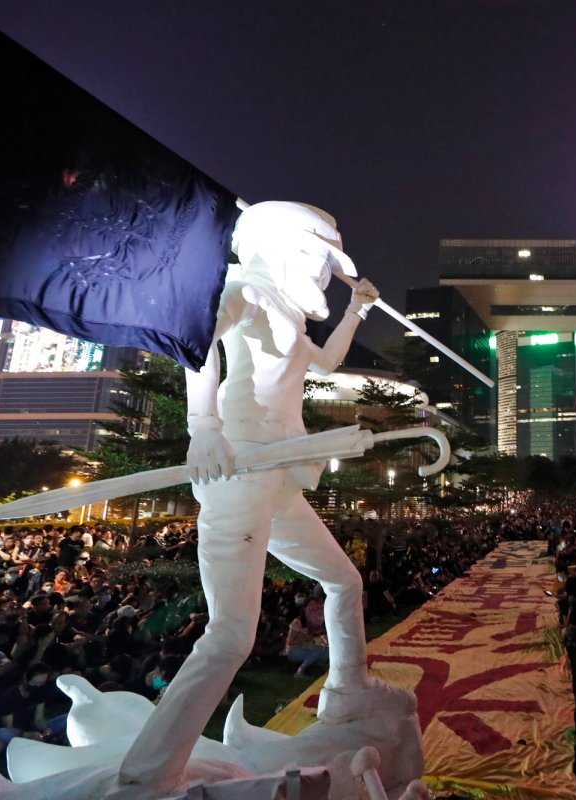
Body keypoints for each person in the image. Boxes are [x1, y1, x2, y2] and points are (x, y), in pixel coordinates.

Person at [114, 202, 385, 798]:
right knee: (231, 635)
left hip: (281, 474)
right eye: (318, 260)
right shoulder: (245, 287)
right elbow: (197, 343)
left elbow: (329, 361)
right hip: (240, 468)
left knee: (344, 582)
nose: (322, 277)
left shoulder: (288, 308)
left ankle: (346, 691)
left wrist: (358, 309)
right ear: (284, 247)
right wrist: (203, 426)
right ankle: (146, 774)